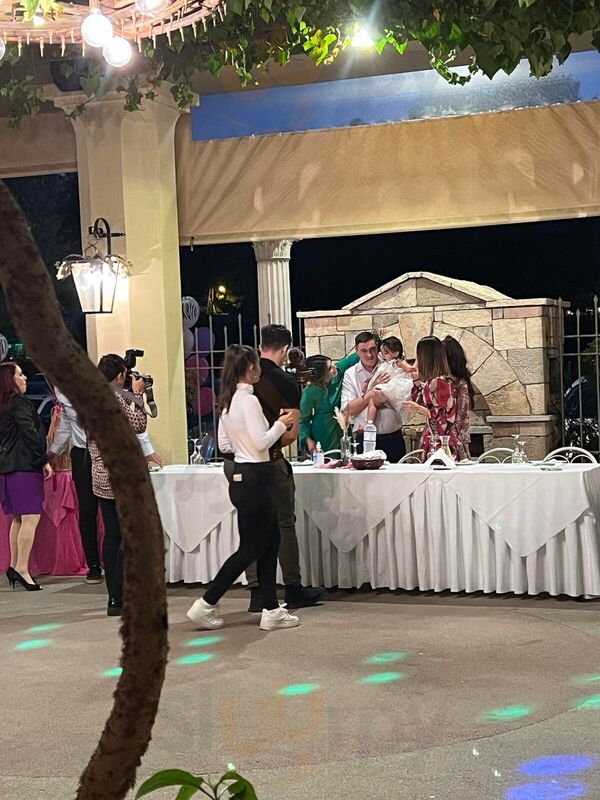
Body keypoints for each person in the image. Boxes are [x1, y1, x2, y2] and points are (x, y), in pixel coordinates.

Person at [187, 345, 300, 631]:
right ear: (251, 368)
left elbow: (225, 444)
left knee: (269, 541)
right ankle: (206, 603)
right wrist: (281, 424)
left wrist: (245, 447)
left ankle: (271, 608)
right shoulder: (248, 401)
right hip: (257, 477)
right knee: (251, 548)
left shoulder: (228, 401)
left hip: (244, 475)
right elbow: (262, 443)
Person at [244, 324, 325, 612]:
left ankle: (257, 592)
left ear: (260, 345)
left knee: (251, 526)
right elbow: (291, 432)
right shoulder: (284, 381)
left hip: (241, 460)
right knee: (284, 523)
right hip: (271, 458)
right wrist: (274, 436)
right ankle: (292, 587)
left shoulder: (243, 376)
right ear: (286, 349)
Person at [49, 387, 162, 585]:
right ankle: (93, 565)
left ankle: (119, 566)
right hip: (82, 454)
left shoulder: (108, 387)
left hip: (106, 454)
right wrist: (52, 453)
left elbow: (133, 424)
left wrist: (147, 450)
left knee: (113, 514)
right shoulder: (62, 389)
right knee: (87, 511)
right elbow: (66, 424)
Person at [88, 355, 147, 616]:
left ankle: (114, 598)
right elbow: (138, 424)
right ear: (121, 376)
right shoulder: (116, 399)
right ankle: (120, 594)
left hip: (100, 475)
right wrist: (138, 395)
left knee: (112, 535)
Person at [0, 363, 53, 591]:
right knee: (30, 518)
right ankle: (22, 568)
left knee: (18, 519)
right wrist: (43, 460)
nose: (25, 378)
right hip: (24, 466)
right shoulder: (19, 403)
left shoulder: (4, 404)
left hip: (8, 467)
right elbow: (30, 432)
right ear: (9, 380)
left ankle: (14, 566)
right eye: (20, 375)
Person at [341, 331, 407, 462]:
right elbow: (349, 411)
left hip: (393, 438)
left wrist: (382, 400)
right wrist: (371, 392)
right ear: (357, 351)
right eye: (364, 351)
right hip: (364, 438)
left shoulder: (390, 365)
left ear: (378, 347)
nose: (369, 355)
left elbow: (402, 399)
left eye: (372, 349)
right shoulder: (350, 374)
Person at [402, 336, 458, 460]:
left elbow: (444, 416)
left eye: (419, 356)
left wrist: (418, 409)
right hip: (433, 436)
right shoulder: (431, 382)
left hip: (442, 440)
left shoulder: (441, 382)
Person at [299, 350, 359, 455]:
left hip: (342, 426)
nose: (334, 368)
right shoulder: (309, 392)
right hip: (323, 432)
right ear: (322, 375)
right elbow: (302, 420)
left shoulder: (337, 374)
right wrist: (307, 439)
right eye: (330, 368)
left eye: (332, 364)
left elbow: (355, 356)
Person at [365, 336, 414, 427]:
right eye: (382, 353)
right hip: (388, 386)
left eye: (386, 353)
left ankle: (369, 423)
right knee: (372, 400)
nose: (383, 356)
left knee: (374, 396)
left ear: (396, 353)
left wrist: (415, 369)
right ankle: (369, 423)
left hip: (395, 386)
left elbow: (409, 368)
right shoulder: (385, 364)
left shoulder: (398, 362)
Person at [442, 336, 474, 461]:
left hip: (454, 442)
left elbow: (461, 417)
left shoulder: (460, 384)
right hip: (442, 439)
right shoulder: (442, 381)